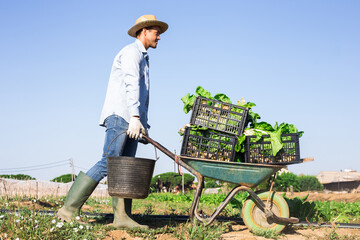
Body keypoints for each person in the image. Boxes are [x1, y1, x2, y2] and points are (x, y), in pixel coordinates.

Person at [56, 14, 168, 229]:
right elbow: (130, 86)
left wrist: (142, 123)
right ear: (143, 31)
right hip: (121, 116)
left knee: (125, 168)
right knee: (109, 162)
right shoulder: (130, 53)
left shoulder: (143, 58)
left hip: (132, 119)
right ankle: (68, 210)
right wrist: (134, 117)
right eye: (156, 32)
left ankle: (122, 219)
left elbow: (142, 95)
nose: (159, 37)